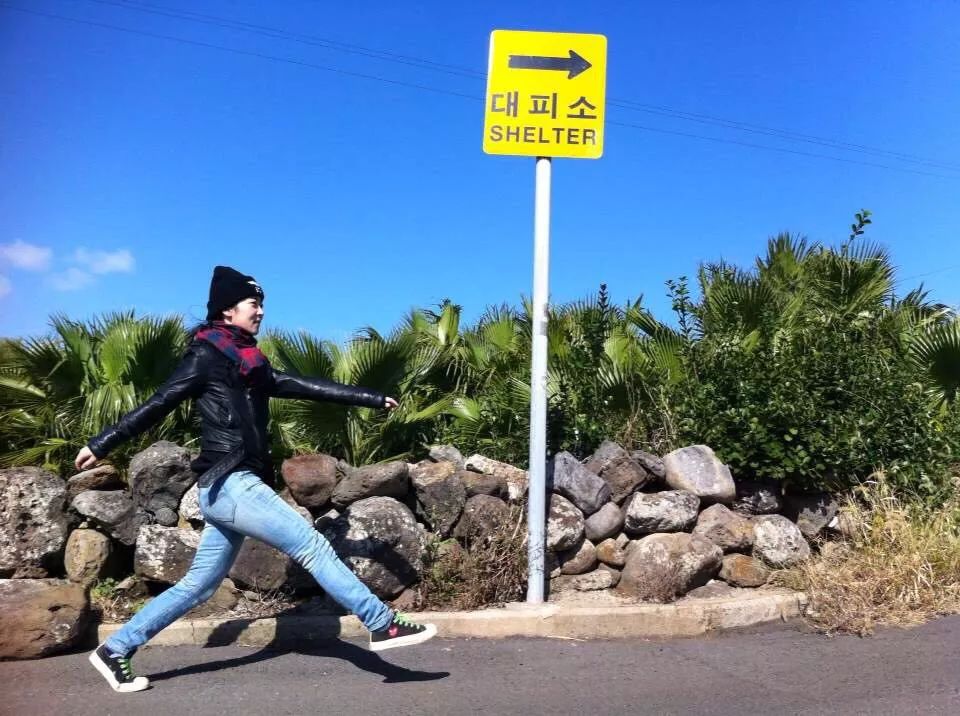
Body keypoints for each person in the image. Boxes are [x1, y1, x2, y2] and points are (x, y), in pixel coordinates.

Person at [78, 265, 436, 693]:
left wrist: (368, 397)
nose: (262, 311)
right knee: (311, 544)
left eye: (262, 303)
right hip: (229, 482)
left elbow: (297, 383)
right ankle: (381, 622)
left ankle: (115, 649)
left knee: (198, 585)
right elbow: (160, 401)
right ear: (228, 311)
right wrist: (102, 442)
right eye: (254, 303)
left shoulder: (249, 360)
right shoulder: (205, 355)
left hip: (228, 488)